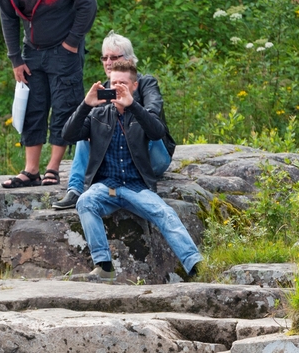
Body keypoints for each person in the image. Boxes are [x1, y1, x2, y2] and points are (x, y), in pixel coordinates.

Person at [62, 59, 202, 283]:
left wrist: (132, 105)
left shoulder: (141, 114)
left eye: (122, 84)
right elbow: (68, 135)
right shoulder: (98, 115)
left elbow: (158, 132)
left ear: (134, 86)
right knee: (85, 202)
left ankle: (195, 265)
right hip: (105, 185)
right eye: (113, 82)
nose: (116, 87)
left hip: (135, 187)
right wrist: (87, 104)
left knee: (164, 212)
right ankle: (104, 265)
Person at [0, 0, 97, 188]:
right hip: (31, 50)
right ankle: (31, 170)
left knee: (64, 105)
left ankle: (53, 168)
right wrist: (15, 58)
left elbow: (88, 3)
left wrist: (72, 42)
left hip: (64, 48)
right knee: (33, 106)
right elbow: (7, 16)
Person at [53, 32, 174, 210]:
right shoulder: (102, 90)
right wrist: (86, 105)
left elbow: (155, 126)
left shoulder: (146, 83)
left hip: (152, 155)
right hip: (118, 163)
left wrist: (131, 104)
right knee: (87, 132)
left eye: (114, 57)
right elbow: (72, 132)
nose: (108, 62)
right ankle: (75, 189)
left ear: (129, 60)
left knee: (140, 130)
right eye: (105, 57)